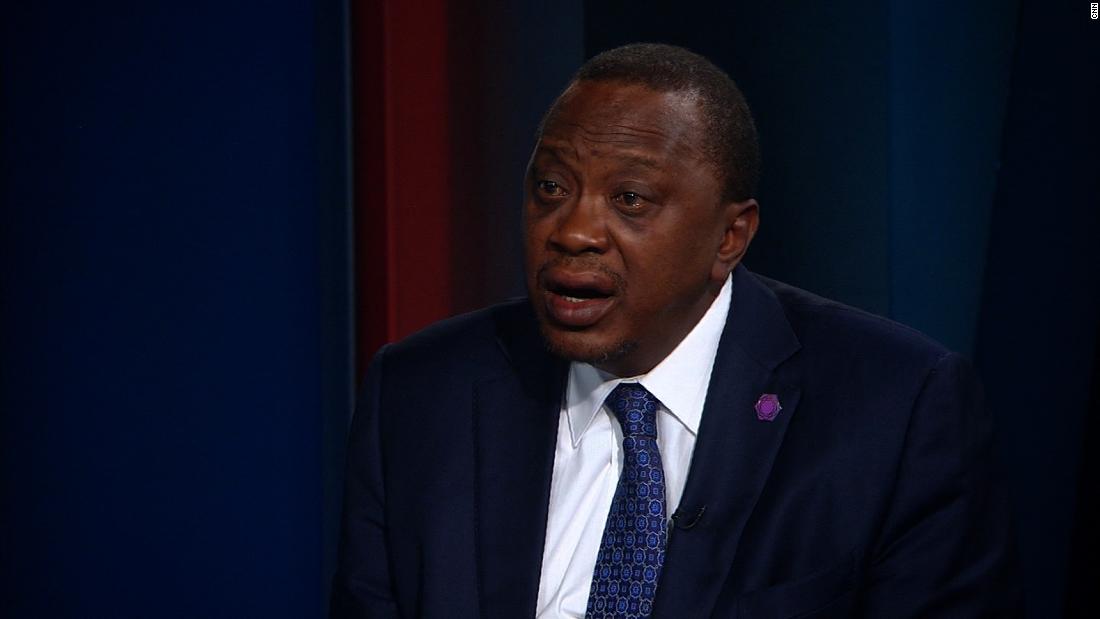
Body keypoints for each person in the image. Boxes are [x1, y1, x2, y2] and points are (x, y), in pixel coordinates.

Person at [330, 43, 1018, 618]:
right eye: (551, 189)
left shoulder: (894, 411)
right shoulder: (423, 394)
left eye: (629, 199)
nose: (572, 231)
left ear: (730, 236)